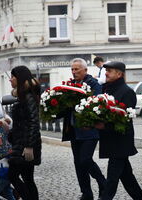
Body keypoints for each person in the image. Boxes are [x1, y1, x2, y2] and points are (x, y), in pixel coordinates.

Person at [95, 61, 142, 200]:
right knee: (128, 179)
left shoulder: (127, 92)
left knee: (112, 180)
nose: (106, 73)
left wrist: (104, 126)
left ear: (119, 74)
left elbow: (124, 120)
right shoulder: (107, 89)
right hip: (111, 140)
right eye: (106, 70)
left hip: (120, 142)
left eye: (110, 71)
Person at [59, 58, 106, 200]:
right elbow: (65, 107)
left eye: (77, 69)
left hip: (89, 130)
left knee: (85, 160)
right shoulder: (70, 85)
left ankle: (102, 182)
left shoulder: (94, 84)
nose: (74, 72)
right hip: (73, 130)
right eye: (72, 69)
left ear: (85, 70)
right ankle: (86, 193)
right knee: (78, 163)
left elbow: (97, 104)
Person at [8, 65, 42, 200]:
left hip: (25, 145)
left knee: (13, 176)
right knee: (28, 179)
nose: (10, 80)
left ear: (19, 78)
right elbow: (22, 122)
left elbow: (33, 122)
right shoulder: (23, 94)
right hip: (21, 142)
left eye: (13, 77)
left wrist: (29, 146)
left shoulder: (27, 96)